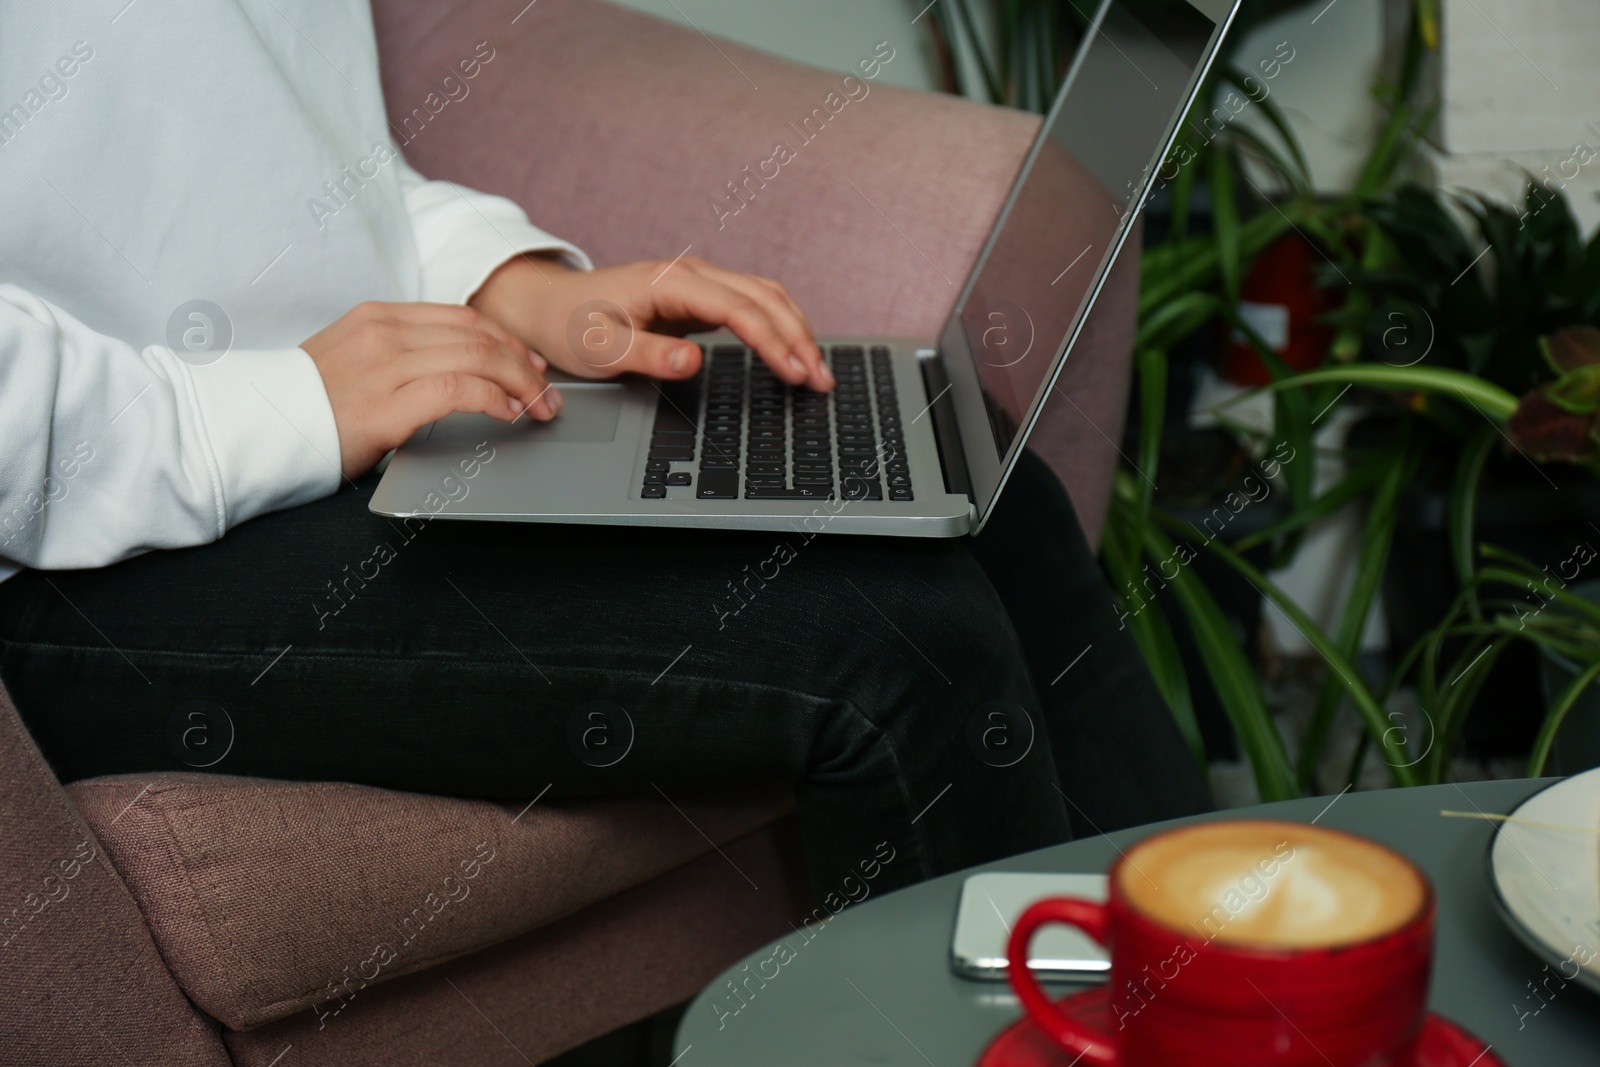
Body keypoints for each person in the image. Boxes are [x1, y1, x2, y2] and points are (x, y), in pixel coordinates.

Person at [0, 1, 1208, 901]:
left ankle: (1230, 994)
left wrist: (509, 288)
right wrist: (263, 413)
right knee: (890, 640)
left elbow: (302, 160)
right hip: (81, 546)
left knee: (980, 486)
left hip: (333, 422)